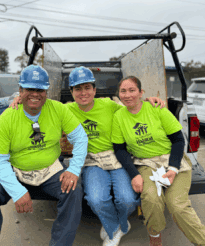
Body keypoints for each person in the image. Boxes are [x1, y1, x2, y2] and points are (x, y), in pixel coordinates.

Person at [10, 66, 164, 246]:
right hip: (91, 161)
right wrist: (18, 98)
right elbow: (37, 103)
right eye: (78, 88)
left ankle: (117, 224)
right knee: (95, 199)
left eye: (87, 87)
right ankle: (115, 227)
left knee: (128, 199)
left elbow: (132, 105)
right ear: (72, 92)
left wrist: (147, 99)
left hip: (116, 158)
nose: (83, 93)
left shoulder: (108, 105)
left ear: (94, 90)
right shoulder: (66, 109)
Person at [0, 65, 88, 246]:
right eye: (29, 89)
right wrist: (17, 192)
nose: (35, 94)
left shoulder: (58, 110)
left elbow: (80, 138)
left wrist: (73, 169)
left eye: (40, 89)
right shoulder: (7, 117)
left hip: (50, 170)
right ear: (20, 90)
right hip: (17, 171)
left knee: (73, 189)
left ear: (46, 91)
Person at [111, 75, 205, 246]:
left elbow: (178, 140)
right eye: (123, 91)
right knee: (151, 199)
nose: (127, 95)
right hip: (145, 163)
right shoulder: (119, 116)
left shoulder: (157, 108)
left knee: (177, 205)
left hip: (172, 160)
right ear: (118, 94)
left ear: (141, 93)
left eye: (132, 90)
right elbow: (119, 149)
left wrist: (173, 169)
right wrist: (134, 175)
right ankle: (155, 236)